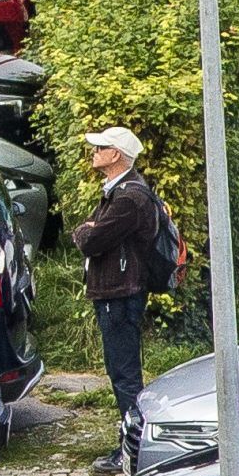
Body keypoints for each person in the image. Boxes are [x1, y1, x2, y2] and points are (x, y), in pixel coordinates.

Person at [71, 127, 166, 439]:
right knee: (120, 371)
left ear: (116, 155)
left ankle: (134, 442)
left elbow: (91, 240)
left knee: (124, 375)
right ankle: (132, 439)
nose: (95, 152)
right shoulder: (118, 190)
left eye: (101, 147)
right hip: (115, 291)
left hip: (120, 293)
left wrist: (86, 231)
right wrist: (89, 230)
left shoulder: (128, 197)